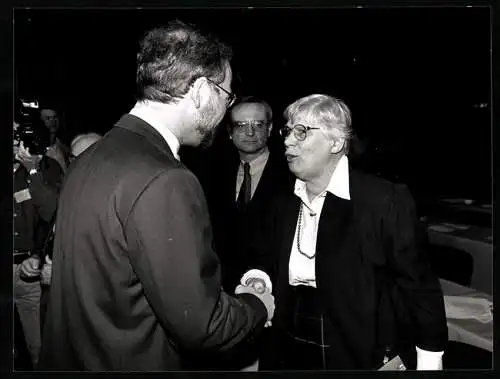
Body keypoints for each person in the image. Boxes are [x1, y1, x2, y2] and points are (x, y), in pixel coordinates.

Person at [38, 20, 274, 371]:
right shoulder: (166, 178)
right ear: (200, 90)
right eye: (226, 96)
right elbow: (203, 326)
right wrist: (257, 305)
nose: (225, 110)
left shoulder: (89, 157)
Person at [243, 94, 448, 370]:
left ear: (336, 142)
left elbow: (419, 288)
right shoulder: (282, 200)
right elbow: (266, 259)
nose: (288, 141)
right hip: (288, 342)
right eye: (288, 131)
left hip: (362, 350)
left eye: (301, 132)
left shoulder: (383, 201)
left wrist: (427, 361)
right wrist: (259, 279)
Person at [206, 96, 293, 293]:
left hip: (273, 289)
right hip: (225, 290)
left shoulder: (291, 174)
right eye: (241, 124)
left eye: (258, 124)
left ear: (270, 129)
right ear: (230, 132)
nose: (250, 131)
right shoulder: (214, 174)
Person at [13, 122, 63, 369]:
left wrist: (32, 171)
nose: (15, 140)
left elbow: (53, 213)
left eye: (18, 134)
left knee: (38, 349)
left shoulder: (46, 168)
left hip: (27, 271)